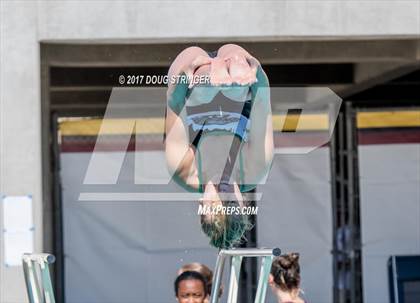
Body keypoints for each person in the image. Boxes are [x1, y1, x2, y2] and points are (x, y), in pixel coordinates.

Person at [164, 44, 273, 249]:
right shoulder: (255, 168)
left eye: (216, 204)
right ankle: (232, 68)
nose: (224, 194)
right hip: (239, 89)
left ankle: (210, 74)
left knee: (202, 89)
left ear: (201, 205)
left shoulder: (183, 171)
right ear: (245, 203)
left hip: (191, 90)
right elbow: (262, 100)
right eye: (231, 203)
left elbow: (174, 103)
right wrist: (254, 69)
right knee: (238, 84)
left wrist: (187, 73)